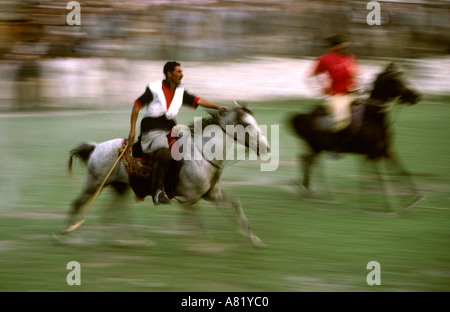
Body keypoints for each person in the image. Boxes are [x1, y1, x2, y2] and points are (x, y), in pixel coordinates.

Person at [128, 61, 228, 205]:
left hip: (170, 129)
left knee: (184, 153)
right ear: (169, 74)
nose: (182, 74)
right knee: (165, 152)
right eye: (178, 72)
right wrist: (132, 130)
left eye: (181, 72)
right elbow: (137, 105)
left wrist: (218, 107)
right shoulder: (154, 88)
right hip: (152, 129)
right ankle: (156, 192)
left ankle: (173, 188)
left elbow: (198, 100)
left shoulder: (180, 92)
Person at [310, 35, 360, 132]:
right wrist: (323, 89)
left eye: (346, 46)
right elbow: (313, 76)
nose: (345, 48)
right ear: (334, 47)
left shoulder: (351, 58)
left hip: (352, 94)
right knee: (342, 120)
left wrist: (357, 86)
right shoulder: (325, 59)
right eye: (342, 46)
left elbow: (356, 75)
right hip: (336, 96)